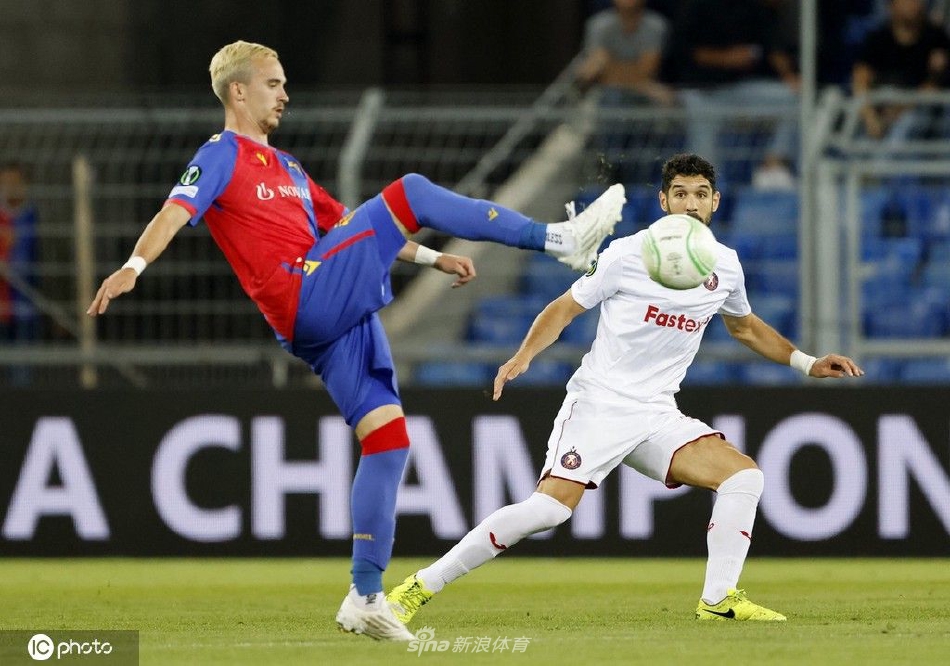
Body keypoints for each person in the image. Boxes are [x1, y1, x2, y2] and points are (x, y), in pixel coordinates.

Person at [84, 40, 625, 642]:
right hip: (303, 294)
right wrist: (133, 266)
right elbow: (174, 211)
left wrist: (432, 257)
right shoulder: (220, 155)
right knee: (410, 190)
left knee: (388, 441)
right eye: (272, 83)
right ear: (238, 91)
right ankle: (558, 240)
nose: (285, 95)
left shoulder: (288, 168)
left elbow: (348, 227)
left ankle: (365, 596)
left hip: (329, 316)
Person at [386, 153, 864, 625]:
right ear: (663, 201)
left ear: (716, 202)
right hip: (601, 403)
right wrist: (524, 355)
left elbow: (744, 327)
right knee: (549, 511)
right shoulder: (627, 253)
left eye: (701, 194)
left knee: (744, 478)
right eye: (681, 193)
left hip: (656, 413)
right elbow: (564, 308)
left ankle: (718, 600)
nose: (691, 203)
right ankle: (421, 585)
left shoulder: (725, 265)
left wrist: (807, 362)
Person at [666, 0, 800, 190]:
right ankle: (705, 190)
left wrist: (790, 77)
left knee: (791, 98)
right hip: (700, 92)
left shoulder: (752, 7)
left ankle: (772, 165)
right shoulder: (693, 7)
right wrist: (726, 58)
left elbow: (771, 46)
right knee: (704, 157)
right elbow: (683, 51)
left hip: (739, 88)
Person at [576, 0, 675, 183]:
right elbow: (592, 73)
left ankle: (637, 178)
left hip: (644, 100)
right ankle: (610, 169)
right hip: (613, 97)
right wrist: (640, 81)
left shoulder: (655, 25)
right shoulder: (599, 24)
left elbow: (647, 70)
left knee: (655, 112)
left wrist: (610, 68)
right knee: (611, 100)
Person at [851, 0, 950, 147]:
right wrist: (870, 117)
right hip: (881, 108)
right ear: (891, 6)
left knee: (910, 121)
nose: (912, 5)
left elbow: (932, 88)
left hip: (916, 113)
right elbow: (860, 79)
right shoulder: (877, 39)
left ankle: (884, 160)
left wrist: (899, 111)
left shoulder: (936, 38)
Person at [0, 163, 40, 346]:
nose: (10, 187)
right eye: (5, 182)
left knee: (25, 352)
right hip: (3, 303)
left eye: (14, 182)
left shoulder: (32, 216)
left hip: (26, 302)